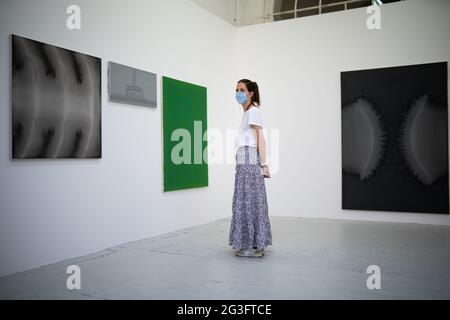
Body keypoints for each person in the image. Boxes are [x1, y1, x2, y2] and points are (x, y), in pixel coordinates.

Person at [229, 79, 273, 258]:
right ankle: (251, 242)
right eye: (236, 89)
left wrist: (264, 164)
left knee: (249, 200)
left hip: (249, 158)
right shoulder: (247, 113)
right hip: (243, 159)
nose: (238, 93)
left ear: (251, 93)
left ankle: (254, 244)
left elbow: (260, 138)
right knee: (246, 199)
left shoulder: (253, 111)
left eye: (242, 90)